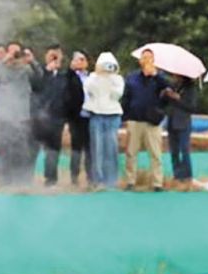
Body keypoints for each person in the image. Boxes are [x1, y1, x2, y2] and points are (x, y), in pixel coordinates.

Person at [121, 49, 170, 191]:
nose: (147, 60)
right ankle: (130, 181)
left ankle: (157, 183)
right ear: (140, 60)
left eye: (150, 58)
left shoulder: (160, 78)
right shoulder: (131, 77)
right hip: (135, 120)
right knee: (131, 152)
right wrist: (125, 117)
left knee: (155, 153)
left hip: (152, 121)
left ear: (154, 60)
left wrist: (155, 75)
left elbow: (170, 88)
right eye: (144, 57)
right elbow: (126, 98)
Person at [0, 41, 36, 185]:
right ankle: (4, 179)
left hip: (22, 115)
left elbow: (39, 78)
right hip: (4, 116)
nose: (14, 55)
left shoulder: (25, 69)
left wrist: (32, 61)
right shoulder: (1, 69)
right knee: (3, 148)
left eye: (17, 52)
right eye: (11, 52)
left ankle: (22, 179)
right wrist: (5, 59)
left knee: (21, 149)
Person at [29, 45, 71, 186]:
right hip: (37, 119)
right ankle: (25, 179)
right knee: (32, 150)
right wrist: (47, 71)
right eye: (51, 55)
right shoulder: (38, 72)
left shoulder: (65, 77)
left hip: (56, 120)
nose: (54, 58)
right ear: (46, 57)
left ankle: (50, 181)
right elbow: (35, 87)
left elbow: (67, 98)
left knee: (53, 151)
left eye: (57, 56)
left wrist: (65, 118)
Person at [83, 53, 124, 190]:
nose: (108, 68)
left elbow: (117, 95)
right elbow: (89, 90)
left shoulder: (118, 79)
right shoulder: (92, 78)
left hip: (113, 115)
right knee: (97, 148)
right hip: (97, 115)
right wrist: (98, 76)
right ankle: (97, 180)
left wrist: (109, 81)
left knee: (111, 148)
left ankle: (111, 180)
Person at [161, 73, 200, 187]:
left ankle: (187, 177)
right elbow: (165, 103)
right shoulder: (173, 86)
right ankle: (177, 175)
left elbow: (192, 107)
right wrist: (165, 95)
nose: (174, 77)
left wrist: (178, 99)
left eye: (176, 75)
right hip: (171, 122)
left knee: (184, 150)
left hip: (183, 122)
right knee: (174, 151)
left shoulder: (190, 89)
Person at [63, 50, 91, 185]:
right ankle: (74, 178)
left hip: (91, 116)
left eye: (83, 59)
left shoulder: (92, 77)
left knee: (90, 148)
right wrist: (70, 70)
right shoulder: (69, 76)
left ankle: (91, 177)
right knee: (76, 148)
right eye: (77, 59)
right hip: (76, 117)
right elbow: (65, 90)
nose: (80, 62)